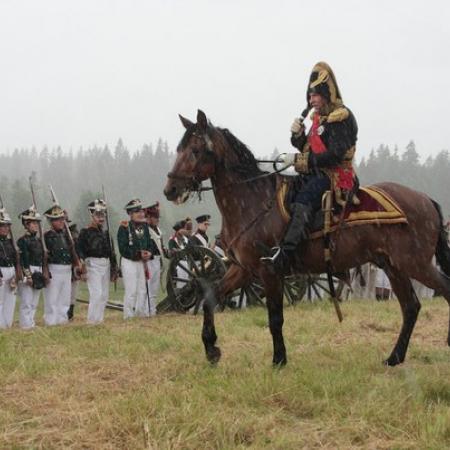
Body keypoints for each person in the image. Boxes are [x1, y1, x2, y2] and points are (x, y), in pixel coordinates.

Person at [262, 61, 358, 272]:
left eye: (315, 95)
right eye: (310, 96)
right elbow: (309, 149)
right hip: (316, 172)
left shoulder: (342, 118)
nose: (311, 100)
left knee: (304, 198)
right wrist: (297, 136)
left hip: (336, 176)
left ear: (326, 94)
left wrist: (297, 160)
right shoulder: (319, 119)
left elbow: (333, 156)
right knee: (286, 192)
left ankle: (287, 254)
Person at [78, 199, 118, 324]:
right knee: (96, 294)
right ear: (92, 216)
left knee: (104, 295)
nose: (101, 218)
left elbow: (111, 252)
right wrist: (82, 266)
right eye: (98, 215)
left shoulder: (106, 233)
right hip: (92, 264)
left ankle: (99, 320)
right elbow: (79, 250)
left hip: (105, 264)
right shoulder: (85, 232)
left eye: (102, 215)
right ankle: (91, 321)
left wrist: (114, 268)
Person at [117, 199, 158, 318]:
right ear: (130, 214)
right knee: (131, 291)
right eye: (137, 212)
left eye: (141, 211)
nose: (141, 214)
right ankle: (128, 316)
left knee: (142, 290)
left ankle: (140, 314)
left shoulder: (145, 226)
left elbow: (149, 242)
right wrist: (138, 254)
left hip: (142, 262)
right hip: (129, 261)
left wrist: (149, 252)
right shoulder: (124, 227)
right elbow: (123, 248)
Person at [43, 204, 74, 325]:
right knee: (52, 299)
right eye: (58, 219)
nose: (61, 222)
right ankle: (50, 321)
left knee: (65, 298)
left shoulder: (66, 235)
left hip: (66, 269)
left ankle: (62, 320)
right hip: (54, 269)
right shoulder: (46, 236)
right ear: (51, 221)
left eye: (62, 219)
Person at [17, 206, 45, 329]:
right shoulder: (22, 241)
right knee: (27, 302)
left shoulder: (39, 240)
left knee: (34, 301)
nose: (35, 225)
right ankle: (25, 325)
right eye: (33, 223)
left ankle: (31, 322)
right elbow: (23, 260)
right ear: (26, 225)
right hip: (28, 270)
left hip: (38, 269)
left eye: (36, 223)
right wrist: (28, 275)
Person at [144, 202, 165, 316]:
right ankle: (146, 311)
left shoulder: (158, 230)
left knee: (154, 288)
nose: (157, 219)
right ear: (148, 218)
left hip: (157, 260)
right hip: (149, 261)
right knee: (148, 287)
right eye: (155, 217)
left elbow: (161, 247)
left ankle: (152, 310)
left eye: (157, 217)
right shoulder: (145, 230)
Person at [0, 207, 17, 329]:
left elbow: (16, 260)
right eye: (3, 226)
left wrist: (16, 275)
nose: (6, 228)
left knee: (10, 301)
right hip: (0, 271)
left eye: (7, 226)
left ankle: (8, 325)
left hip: (11, 271)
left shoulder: (11, 242)